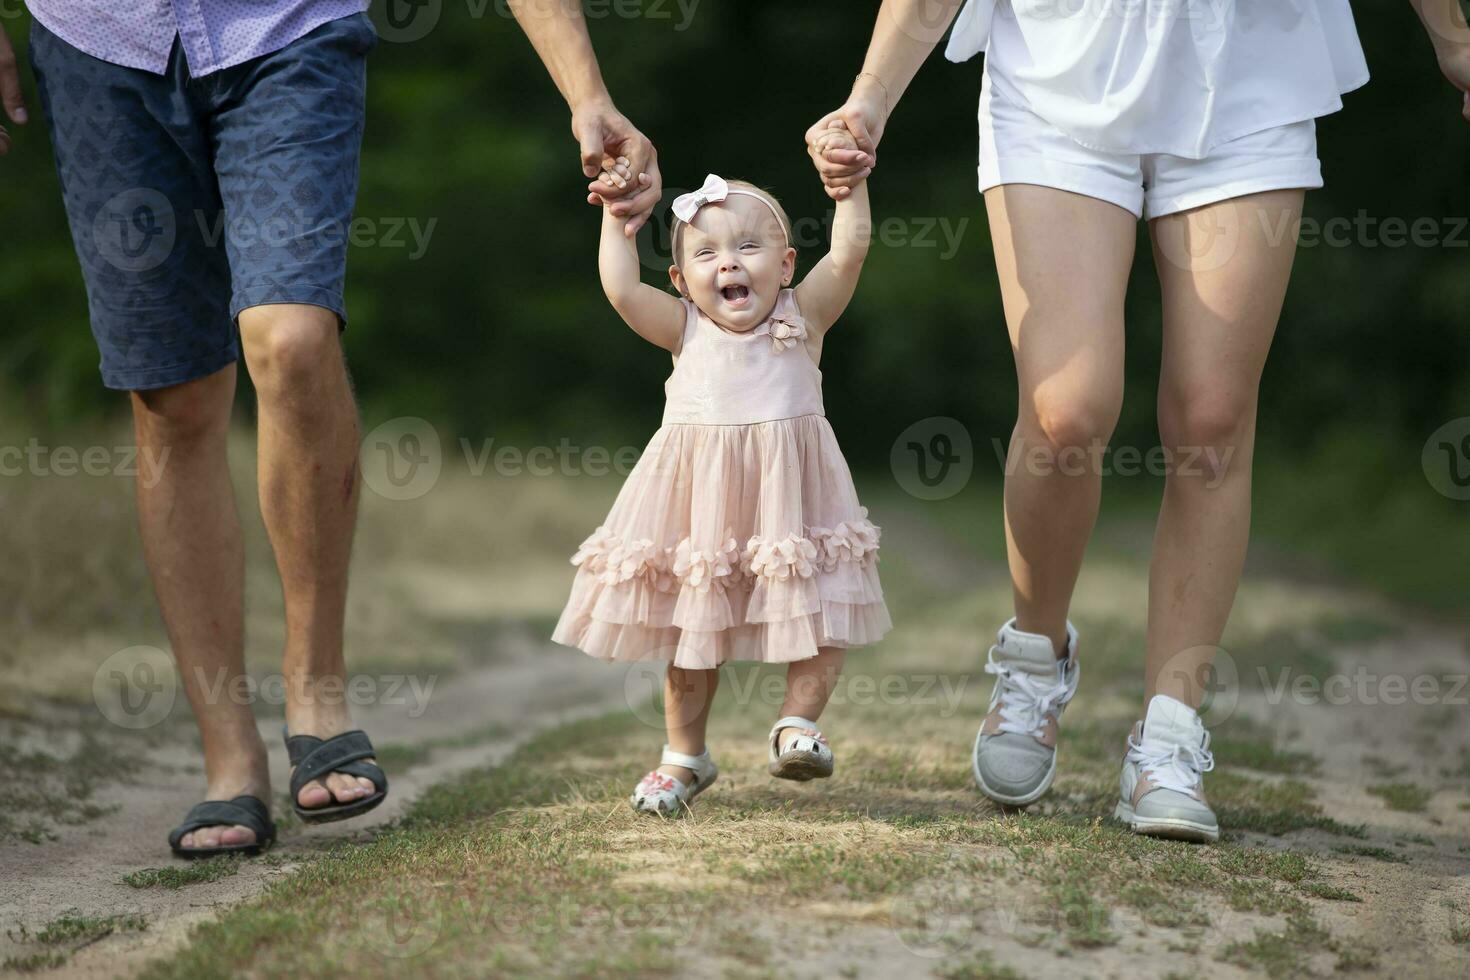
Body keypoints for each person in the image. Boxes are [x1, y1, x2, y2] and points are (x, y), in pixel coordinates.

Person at [0, 0, 659, 856]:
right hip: (96, 42)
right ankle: (229, 760)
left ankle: (316, 690)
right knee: (174, 397)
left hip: (287, 29)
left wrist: (585, 93)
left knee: (293, 340)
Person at [805, 0, 1470, 842]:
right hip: (1058, 63)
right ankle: (1034, 657)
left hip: (1249, 70)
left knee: (1213, 420)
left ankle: (1169, 733)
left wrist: (1453, 37)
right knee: (1065, 411)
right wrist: (870, 97)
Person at [553, 136, 892, 816]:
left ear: (787, 265)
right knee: (693, 636)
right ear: (680, 281)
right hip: (702, 509)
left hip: (792, 505)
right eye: (705, 254)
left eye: (748, 247)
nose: (728, 262)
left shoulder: (805, 316)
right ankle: (684, 756)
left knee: (826, 618)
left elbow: (850, 251)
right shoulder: (684, 328)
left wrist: (850, 191)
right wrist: (617, 223)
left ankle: (798, 724)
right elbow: (621, 288)